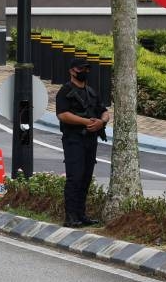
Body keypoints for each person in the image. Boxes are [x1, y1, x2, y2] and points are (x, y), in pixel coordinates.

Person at [55, 58, 110, 228]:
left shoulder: (92, 92)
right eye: (81, 69)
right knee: (75, 177)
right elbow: (62, 114)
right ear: (72, 71)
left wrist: (102, 122)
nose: (84, 71)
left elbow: (104, 111)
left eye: (87, 69)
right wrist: (85, 122)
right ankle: (70, 216)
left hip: (90, 140)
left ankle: (81, 214)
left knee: (86, 177)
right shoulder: (65, 91)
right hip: (74, 140)